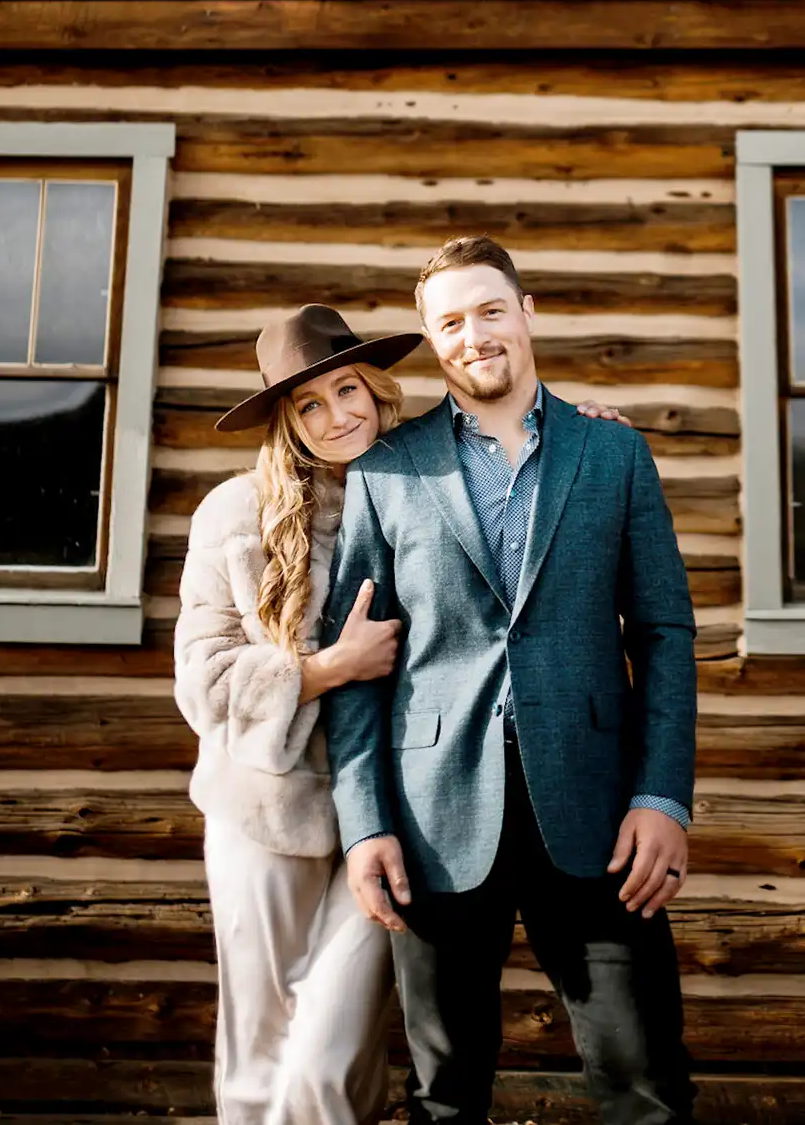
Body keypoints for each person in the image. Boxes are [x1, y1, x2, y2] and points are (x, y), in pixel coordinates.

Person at [174, 300, 635, 1125]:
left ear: (378, 391)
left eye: (347, 391)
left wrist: (580, 429)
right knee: (257, 1045)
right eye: (308, 406)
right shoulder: (235, 515)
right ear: (286, 422)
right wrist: (321, 670)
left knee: (331, 1050)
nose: (334, 416)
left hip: (393, 810)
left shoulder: (430, 478)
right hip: (267, 808)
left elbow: (518, 465)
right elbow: (202, 682)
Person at [323, 237, 698, 1125]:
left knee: (646, 1083)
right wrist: (364, 822)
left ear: (527, 314)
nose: (473, 334)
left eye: (490, 310)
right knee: (444, 1095)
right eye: (449, 321)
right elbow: (358, 670)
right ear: (430, 339)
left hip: (601, 812)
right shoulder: (386, 472)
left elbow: (664, 631)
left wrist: (663, 797)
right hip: (434, 815)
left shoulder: (614, 456)